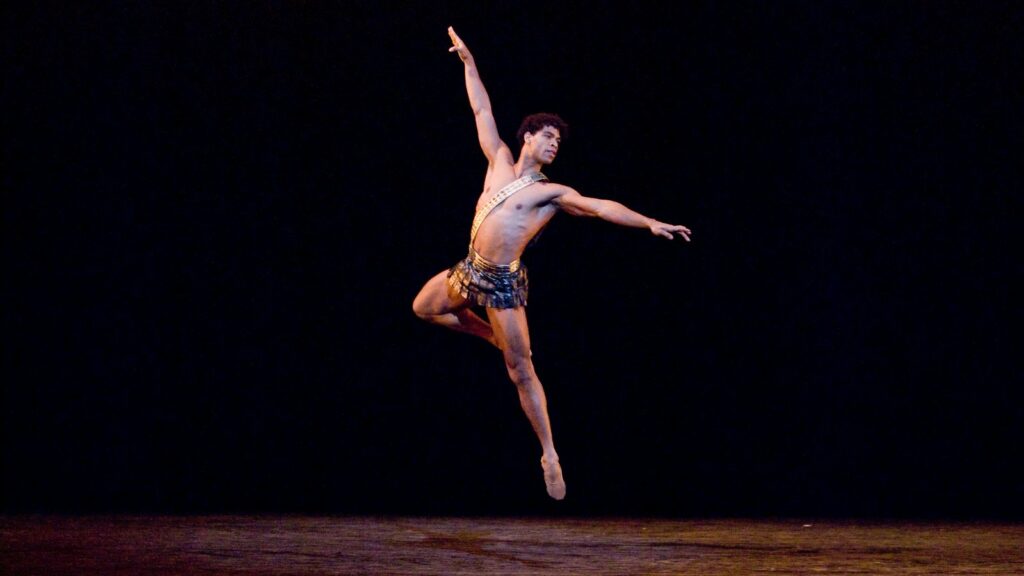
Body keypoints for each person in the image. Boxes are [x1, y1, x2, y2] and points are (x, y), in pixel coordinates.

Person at [412, 27, 692, 501]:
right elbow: (481, 109)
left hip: (501, 286)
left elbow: (601, 206)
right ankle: (489, 336)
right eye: (547, 136)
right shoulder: (498, 160)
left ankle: (549, 454)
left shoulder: (552, 193)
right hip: (468, 269)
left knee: (521, 370)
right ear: (527, 138)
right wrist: (468, 63)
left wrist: (647, 223)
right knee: (423, 307)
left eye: (558, 141)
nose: (554, 144)